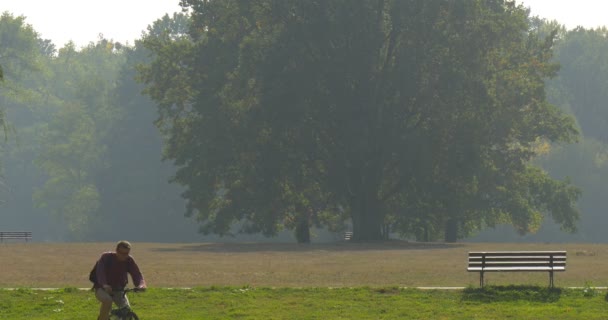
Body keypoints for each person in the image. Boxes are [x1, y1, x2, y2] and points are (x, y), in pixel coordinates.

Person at [93, 240, 147, 320]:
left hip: (119, 290)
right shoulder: (106, 257)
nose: (124, 256)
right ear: (116, 251)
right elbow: (100, 272)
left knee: (126, 311)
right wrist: (104, 284)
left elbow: (137, 274)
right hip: (102, 288)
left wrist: (141, 285)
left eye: (126, 254)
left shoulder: (129, 260)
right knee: (108, 300)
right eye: (122, 253)